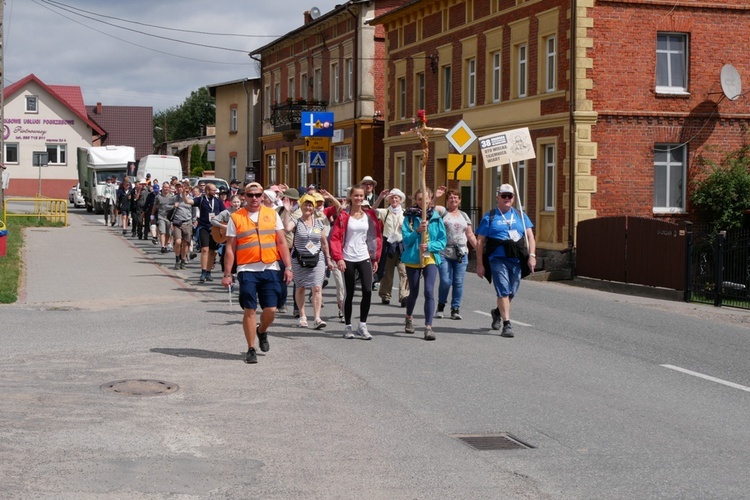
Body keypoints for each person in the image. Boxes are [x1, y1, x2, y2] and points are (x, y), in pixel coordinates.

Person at [221, 182, 293, 364]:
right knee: (250, 309)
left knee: (271, 309)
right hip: (247, 269)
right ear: (244, 196)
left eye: (258, 195)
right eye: (250, 195)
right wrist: (228, 274)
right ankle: (251, 348)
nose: (254, 198)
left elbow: (282, 243)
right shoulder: (236, 217)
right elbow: (230, 247)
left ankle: (262, 331)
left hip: (270, 268)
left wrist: (289, 267)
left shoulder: (272, 214)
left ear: (263, 196)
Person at [475, 184, 536, 338]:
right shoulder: (490, 216)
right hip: (497, 259)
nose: (507, 199)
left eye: (510, 196)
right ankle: (507, 324)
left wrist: (532, 256)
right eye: (504, 196)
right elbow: (480, 241)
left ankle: (497, 312)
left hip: (516, 259)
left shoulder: (520, 215)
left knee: (511, 292)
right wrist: (480, 264)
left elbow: (530, 237)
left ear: (513, 198)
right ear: (498, 197)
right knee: (503, 289)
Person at [329, 184, 382, 340]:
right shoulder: (344, 216)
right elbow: (335, 238)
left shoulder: (369, 215)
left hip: (364, 256)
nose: (359, 198)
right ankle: (347, 326)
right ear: (351, 197)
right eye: (356, 196)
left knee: (367, 290)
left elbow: (375, 237)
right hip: (348, 257)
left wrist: (375, 258)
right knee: (350, 293)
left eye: (361, 196)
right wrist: (339, 258)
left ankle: (362, 325)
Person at [282, 194, 334, 329]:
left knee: (317, 287)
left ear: (313, 207)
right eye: (306, 204)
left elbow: (324, 243)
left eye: (310, 205)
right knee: (300, 287)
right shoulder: (297, 221)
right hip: (299, 259)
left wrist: (328, 258)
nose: (308, 207)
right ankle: (302, 316)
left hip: (317, 259)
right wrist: (287, 211)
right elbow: (287, 228)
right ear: (302, 206)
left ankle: (317, 318)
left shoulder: (319, 223)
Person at [401, 187, 447, 341]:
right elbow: (406, 240)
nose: (423, 202)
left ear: (430, 199)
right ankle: (409, 317)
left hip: (430, 258)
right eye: (420, 199)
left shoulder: (435, 217)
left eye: (425, 199)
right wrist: (417, 231)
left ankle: (428, 327)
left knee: (429, 291)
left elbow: (442, 240)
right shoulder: (409, 217)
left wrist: (430, 246)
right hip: (413, 258)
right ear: (416, 200)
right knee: (413, 292)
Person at [436, 189, 478, 320]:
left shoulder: (464, 216)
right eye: (451, 198)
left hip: (461, 253)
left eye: (456, 198)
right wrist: (436, 197)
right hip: (444, 252)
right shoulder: (442, 212)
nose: (453, 200)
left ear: (459, 200)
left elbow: (470, 234)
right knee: (445, 281)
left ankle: (455, 308)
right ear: (447, 200)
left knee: (458, 282)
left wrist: (479, 250)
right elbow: (429, 207)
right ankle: (441, 305)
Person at [374, 188, 409, 306]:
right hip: (389, 245)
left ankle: (404, 296)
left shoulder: (406, 213)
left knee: (404, 271)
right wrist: (380, 198)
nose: (394, 200)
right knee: (387, 272)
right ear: (389, 200)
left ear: (400, 200)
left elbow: (411, 227)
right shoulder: (385, 212)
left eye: (396, 198)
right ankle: (385, 295)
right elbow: (372, 211)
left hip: (402, 245)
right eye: (392, 198)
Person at [195, 183, 224, 282]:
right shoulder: (201, 200)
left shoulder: (218, 201)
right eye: (213, 190)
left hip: (215, 228)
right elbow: (189, 201)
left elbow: (224, 213)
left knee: (213, 251)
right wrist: (184, 194)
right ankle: (203, 272)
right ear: (207, 191)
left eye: (215, 190)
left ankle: (208, 272)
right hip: (204, 227)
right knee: (205, 249)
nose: (215, 192)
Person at [171, 182, 195, 269]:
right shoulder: (175, 198)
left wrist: (194, 220)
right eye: (177, 187)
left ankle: (183, 260)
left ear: (184, 188)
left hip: (187, 223)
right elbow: (167, 208)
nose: (179, 189)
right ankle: (177, 259)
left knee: (186, 243)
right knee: (178, 241)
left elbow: (194, 211)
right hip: (177, 222)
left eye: (180, 187)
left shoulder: (191, 199)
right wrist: (173, 206)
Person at [151, 181, 175, 253]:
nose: (166, 189)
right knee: (162, 232)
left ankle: (165, 245)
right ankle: (162, 246)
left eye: (167, 187)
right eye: (165, 187)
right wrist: (152, 216)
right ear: (162, 188)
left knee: (168, 233)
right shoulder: (159, 197)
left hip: (169, 218)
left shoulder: (172, 197)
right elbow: (154, 207)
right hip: (161, 216)